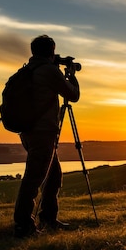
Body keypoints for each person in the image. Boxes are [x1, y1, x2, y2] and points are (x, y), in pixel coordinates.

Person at [13, 35, 80, 238]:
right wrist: (70, 75)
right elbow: (73, 95)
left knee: (53, 176)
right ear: (51, 50)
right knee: (34, 179)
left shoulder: (29, 69)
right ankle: (23, 226)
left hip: (28, 132)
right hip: (43, 133)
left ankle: (49, 219)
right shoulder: (49, 71)